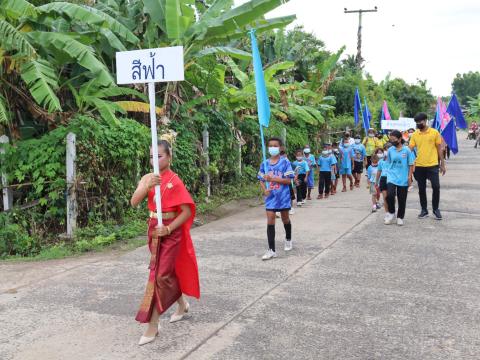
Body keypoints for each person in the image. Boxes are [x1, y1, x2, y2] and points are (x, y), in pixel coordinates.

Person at [130, 140, 200, 346]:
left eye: (159, 156)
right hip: (153, 230)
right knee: (164, 273)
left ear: (169, 157)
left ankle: (152, 325)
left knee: (159, 275)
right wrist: (146, 187)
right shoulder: (147, 177)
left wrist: (169, 228)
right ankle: (182, 304)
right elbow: (134, 202)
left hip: (171, 232)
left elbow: (187, 211)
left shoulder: (175, 181)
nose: (154, 160)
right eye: (151, 156)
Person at [258, 137, 294, 260]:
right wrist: (264, 189)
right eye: (271, 146)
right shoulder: (265, 163)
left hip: (283, 196)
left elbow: (288, 181)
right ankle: (271, 250)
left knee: (285, 219)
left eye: (275, 146)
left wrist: (272, 179)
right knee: (270, 220)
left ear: (280, 148)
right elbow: (261, 179)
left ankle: (288, 238)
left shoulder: (285, 162)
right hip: (271, 197)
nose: (272, 148)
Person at [409, 112, 446, 220]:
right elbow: (409, 149)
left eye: (420, 121)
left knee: (436, 187)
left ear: (425, 120)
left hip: (433, 165)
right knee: (421, 189)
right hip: (419, 165)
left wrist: (442, 164)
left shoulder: (434, 132)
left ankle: (436, 209)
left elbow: (439, 149)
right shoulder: (415, 134)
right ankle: (424, 210)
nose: (418, 124)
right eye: (417, 122)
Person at [381, 130, 415, 226]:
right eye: (390, 139)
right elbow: (388, 163)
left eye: (394, 139)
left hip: (403, 177)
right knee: (390, 195)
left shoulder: (407, 150)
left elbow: (411, 164)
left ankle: (400, 217)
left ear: (400, 139)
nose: (392, 141)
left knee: (402, 199)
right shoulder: (391, 150)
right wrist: (386, 173)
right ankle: (391, 213)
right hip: (391, 176)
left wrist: (409, 177)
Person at [376, 143, 392, 218]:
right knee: (385, 198)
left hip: (392, 179)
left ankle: (392, 211)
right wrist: (376, 181)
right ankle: (387, 213)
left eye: (389, 148)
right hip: (383, 179)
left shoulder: (393, 160)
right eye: (386, 149)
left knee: (391, 197)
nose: (387, 150)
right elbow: (379, 171)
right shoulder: (381, 161)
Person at [280, 146, 296, 215]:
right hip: (278, 181)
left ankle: (291, 208)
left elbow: (293, 169)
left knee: (290, 194)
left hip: (287, 180)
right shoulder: (274, 160)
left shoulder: (286, 161)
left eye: (282, 153)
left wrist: (293, 177)